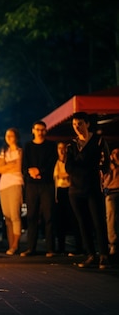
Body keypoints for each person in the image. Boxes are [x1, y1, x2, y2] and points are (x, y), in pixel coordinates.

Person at [66, 112, 110, 269]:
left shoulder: (98, 141)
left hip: (93, 188)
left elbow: (105, 164)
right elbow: (68, 167)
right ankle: (91, 254)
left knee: (98, 222)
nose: (77, 127)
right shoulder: (71, 145)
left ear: (87, 124)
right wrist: (86, 164)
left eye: (80, 124)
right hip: (75, 189)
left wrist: (91, 167)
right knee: (83, 223)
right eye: (74, 124)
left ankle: (104, 255)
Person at [20, 121, 57, 257]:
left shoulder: (51, 146)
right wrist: (30, 171)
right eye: (37, 129)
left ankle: (50, 248)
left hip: (46, 184)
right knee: (31, 216)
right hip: (31, 185)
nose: (40, 132)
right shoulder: (28, 146)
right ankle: (31, 248)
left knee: (49, 216)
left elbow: (52, 163)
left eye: (42, 129)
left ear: (45, 131)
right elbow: (24, 165)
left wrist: (39, 171)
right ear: (33, 130)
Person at [0, 128, 24, 255]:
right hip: (3, 185)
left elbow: (19, 166)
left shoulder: (20, 151)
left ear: (16, 137)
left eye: (11, 135)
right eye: (7, 135)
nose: (8, 137)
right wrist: (11, 165)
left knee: (15, 215)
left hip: (16, 183)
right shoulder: (3, 152)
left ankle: (15, 244)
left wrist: (9, 165)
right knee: (7, 217)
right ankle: (10, 243)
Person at [54, 141, 81, 255]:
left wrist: (63, 175)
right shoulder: (56, 162)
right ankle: (61, 248)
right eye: (59, 148)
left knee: (74, 219)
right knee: (60, 220)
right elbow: (56, 178)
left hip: (70, 189)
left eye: (64, 148)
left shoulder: (71, 161)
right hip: (59, 191)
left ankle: (79, 247)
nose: (62, 150)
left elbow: (68, 174)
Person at [103, 148, 119, 257]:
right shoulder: (108, 166)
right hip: (111, 192)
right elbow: (105, 181)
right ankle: (113, 243)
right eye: (114, 153)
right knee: (111, 217)